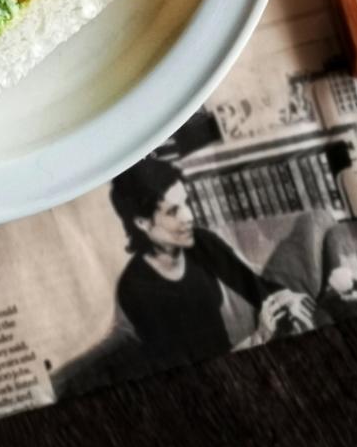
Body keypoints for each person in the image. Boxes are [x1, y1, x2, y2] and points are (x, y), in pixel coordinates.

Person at [109, 156, 314, 368]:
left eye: (186, 203)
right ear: (142, 222)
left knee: (316, 224)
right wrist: (259, 337)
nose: (188, 216)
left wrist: (285, 298)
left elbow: (253, 285)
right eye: (173, 211)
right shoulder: (135, 289)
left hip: (246, 349)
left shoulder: (199, 242)